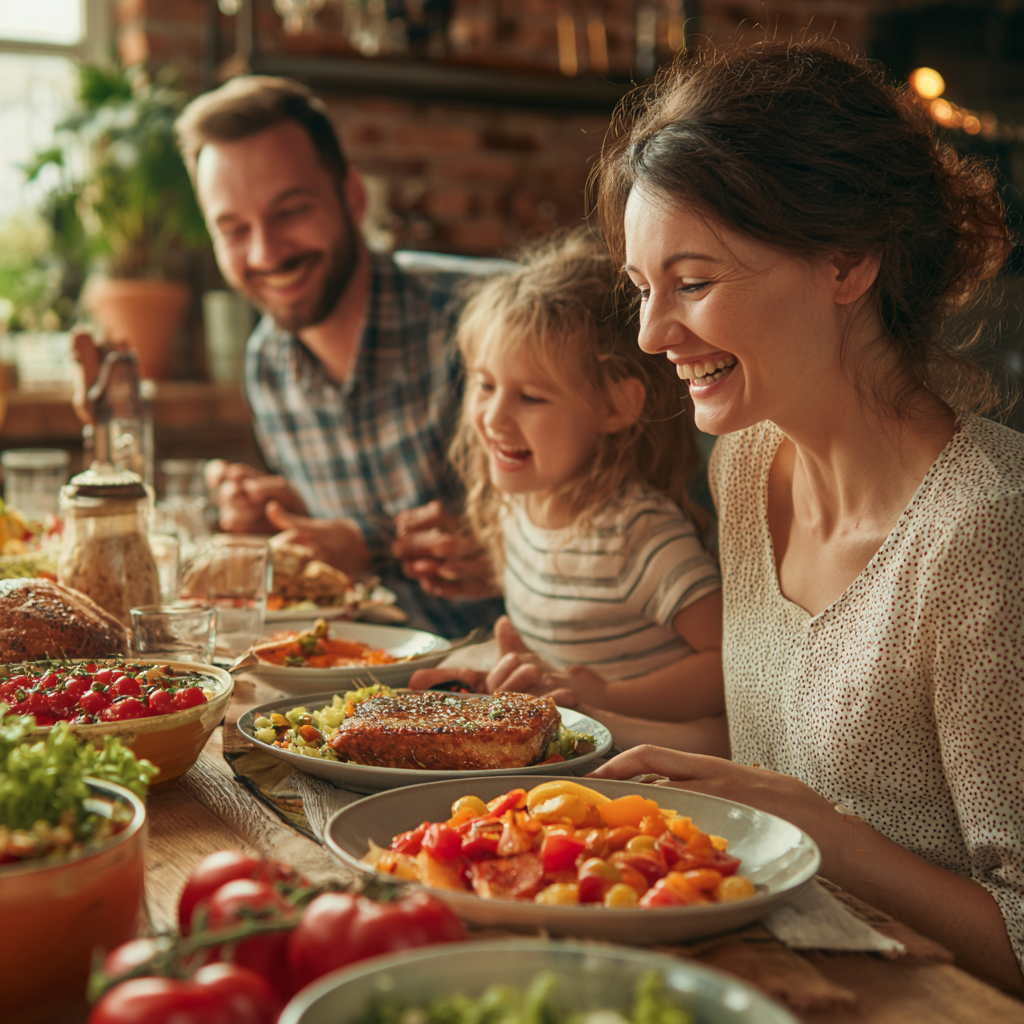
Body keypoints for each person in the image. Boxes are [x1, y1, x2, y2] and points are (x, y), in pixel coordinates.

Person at [574, 40, 1024, 994]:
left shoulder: (984, 533)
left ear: (847, 262)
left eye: (692, 283)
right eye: (643, 289)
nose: (653, 334)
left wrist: (825, 833)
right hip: (770, 984)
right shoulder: (748, 461)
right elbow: (764, 761)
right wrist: (581, 723)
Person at [174, 76, 505, 635]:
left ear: (353, 196)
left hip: (528, 675)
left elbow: (617, 525)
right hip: (364, 682)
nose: (265, 252)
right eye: (233, 230)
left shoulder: (487, 316)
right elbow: (346, 563)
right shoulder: (266, 367)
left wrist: (376, 546)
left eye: (289, 211)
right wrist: (287, 513)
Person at [410, 231, 726, 745]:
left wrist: (605, 697)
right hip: (574, 738)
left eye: (530, 397)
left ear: (614, 407)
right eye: (486, 385)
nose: (492, 416)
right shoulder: (516, 506)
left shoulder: (637, 535)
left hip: (661, 752)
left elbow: (728, 665)